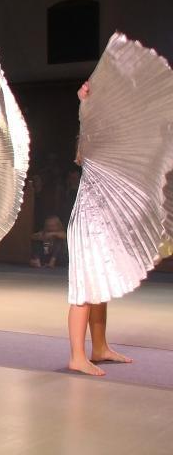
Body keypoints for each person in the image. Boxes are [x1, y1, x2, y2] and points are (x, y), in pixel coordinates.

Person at [66, 80, 132, 376]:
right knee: (84, 289)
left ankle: (100, 347)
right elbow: (89, 122)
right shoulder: (94, 144)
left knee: (99, 286)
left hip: (99, 223)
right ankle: (77, 356)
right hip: (87, 225)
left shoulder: (109, 146)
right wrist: (85, 103)